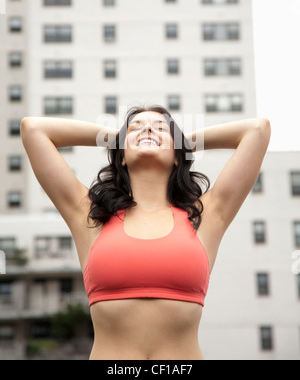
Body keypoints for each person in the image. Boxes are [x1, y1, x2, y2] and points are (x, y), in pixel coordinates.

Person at [21, 105, 271, 360]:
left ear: (177, 156)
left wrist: (181, 143)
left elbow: (257, 131)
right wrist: (118, 138)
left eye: (161, 128)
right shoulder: (91, 217)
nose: (148, 129)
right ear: (121, 156)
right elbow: (33, 130)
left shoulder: (206, 216)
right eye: (135, 128)